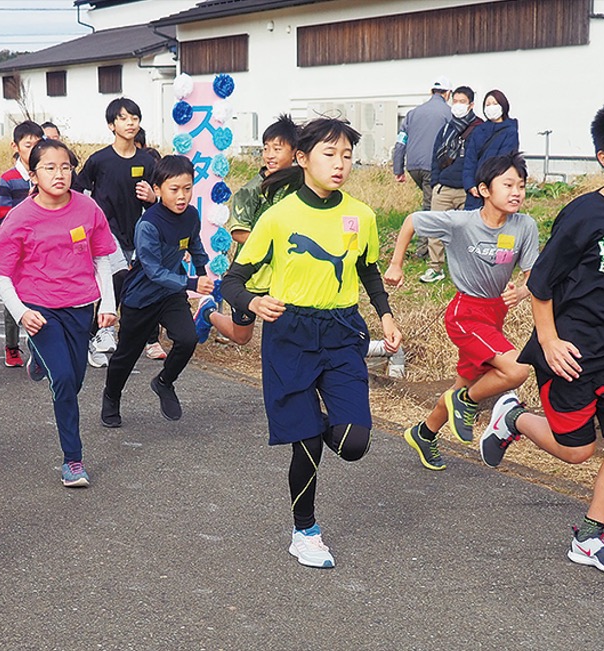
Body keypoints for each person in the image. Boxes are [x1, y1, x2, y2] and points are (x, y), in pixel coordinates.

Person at [478, 96, 604, 574]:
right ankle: (512, 417)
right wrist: (548, 342)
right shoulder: (583, 215)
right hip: (568, 346)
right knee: (576, 451)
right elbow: (541, 284)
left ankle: (590, 537)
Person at [221, 118, 402, 569]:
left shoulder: (361, 215)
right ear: (302, 158)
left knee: (353, 443)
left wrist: (385, 314)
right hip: (291, 333)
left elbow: (367, 270)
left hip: (342, 331)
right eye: (329, 154)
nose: (340, 164)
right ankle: (305, 531)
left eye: (347, 156)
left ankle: (303, 422)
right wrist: (253, 302)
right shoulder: (278, 218)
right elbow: (233, 280)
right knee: (307, 444)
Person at [384, 152, 539, 471]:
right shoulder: (461, 222)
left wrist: (523, 291)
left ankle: (425, 433)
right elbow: (412, 220)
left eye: (521, 186)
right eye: (508, 185)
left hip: (495, 314)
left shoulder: (525, 225)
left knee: (463, 385)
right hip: (465, 313)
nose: (516, 193)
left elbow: (532, 275)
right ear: (484, 190)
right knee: (517, 369)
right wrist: (396, 264)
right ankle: (467, 403)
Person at [0, 138, 117, 487]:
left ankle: (39, 361)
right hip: (40, 310)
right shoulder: (20, 217)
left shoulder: (88, 209)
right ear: (33, 175)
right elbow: (1, 274)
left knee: (75, 379)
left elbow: (102, 258)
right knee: (64, 381)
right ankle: (73, 460)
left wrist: (107, 304)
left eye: (65, 167)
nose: (59, 174)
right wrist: (21, 313)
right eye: (49, 168)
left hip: (80, 306)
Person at [101, 155, 211, 427]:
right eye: (174, 189)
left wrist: (202, 271)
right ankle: (111, 396)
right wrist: (192, 284)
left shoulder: (191, 216)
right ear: (158, 189)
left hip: (170, 295)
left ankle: (164, 381)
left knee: (187, 339)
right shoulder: (148, 224)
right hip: (141, 297)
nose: (182, 196)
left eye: (187, 188)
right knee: (126, 356)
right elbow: (153, 271)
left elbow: (194, 244)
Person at [196, 114, 299, 346]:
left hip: (284, 274)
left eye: (277, 149)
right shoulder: (251, 190)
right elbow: (238, 233)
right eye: (266, 148)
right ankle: (208, 313)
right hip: (251, 272)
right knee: (242, 336)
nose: (269, 155)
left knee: (284, 329)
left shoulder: (302, 184)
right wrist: (276, 247)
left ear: (295, 152)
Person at [75, 98, 158, 365]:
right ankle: (104, 331)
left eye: (134, 118)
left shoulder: (147, 161)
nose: (130, 123)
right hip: (103, 231)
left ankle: (94, 335)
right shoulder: (99, 160)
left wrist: (153, 198)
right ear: (112, 125)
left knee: (124, 284)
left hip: (134, 232)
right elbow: (78, 191)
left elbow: (158, 199)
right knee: (119, 274)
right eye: (123, 118)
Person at [419, 85, 484, 284]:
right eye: (455, 101)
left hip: (468, 189)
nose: (457, 105)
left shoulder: (479, 129)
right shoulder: (447, 129)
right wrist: (436, 182)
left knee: (467, 231)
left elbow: (481, 159)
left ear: (471, 105)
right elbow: (435, 156)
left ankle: (467, 269)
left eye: (462, 101)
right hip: (444, 187)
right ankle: (435, 267)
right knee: (435, 229)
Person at [0, 120, 44, 368]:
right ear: (15, 147)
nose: (33, 149)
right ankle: (12, 346)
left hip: (42, 246)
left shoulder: (46, 175)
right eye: (28, 145)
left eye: (38, 144)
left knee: (39, 294)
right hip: (17, 245)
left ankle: (38, 348)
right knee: (12, 295)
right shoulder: (8, 179)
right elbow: (4, 216)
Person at [392, 77, 452, 218]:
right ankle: (424, 231)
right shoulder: (448, 113)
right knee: (430, 205)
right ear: (448, 93)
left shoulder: (412, 113)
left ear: (431, 92)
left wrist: (398, 169)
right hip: (432, 166)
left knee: (429, 199)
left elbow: (400, 142)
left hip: (413, 167)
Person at [462, 89, 520, 211]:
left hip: (496, 190)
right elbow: (470, 160)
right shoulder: (478, 130)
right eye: (487, 104)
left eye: (495, 104)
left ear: (503, 106)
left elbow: (504, 161)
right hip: (476, 191)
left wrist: (490, 186)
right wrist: (470, 185)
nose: (491, 107)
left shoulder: (510, 132)